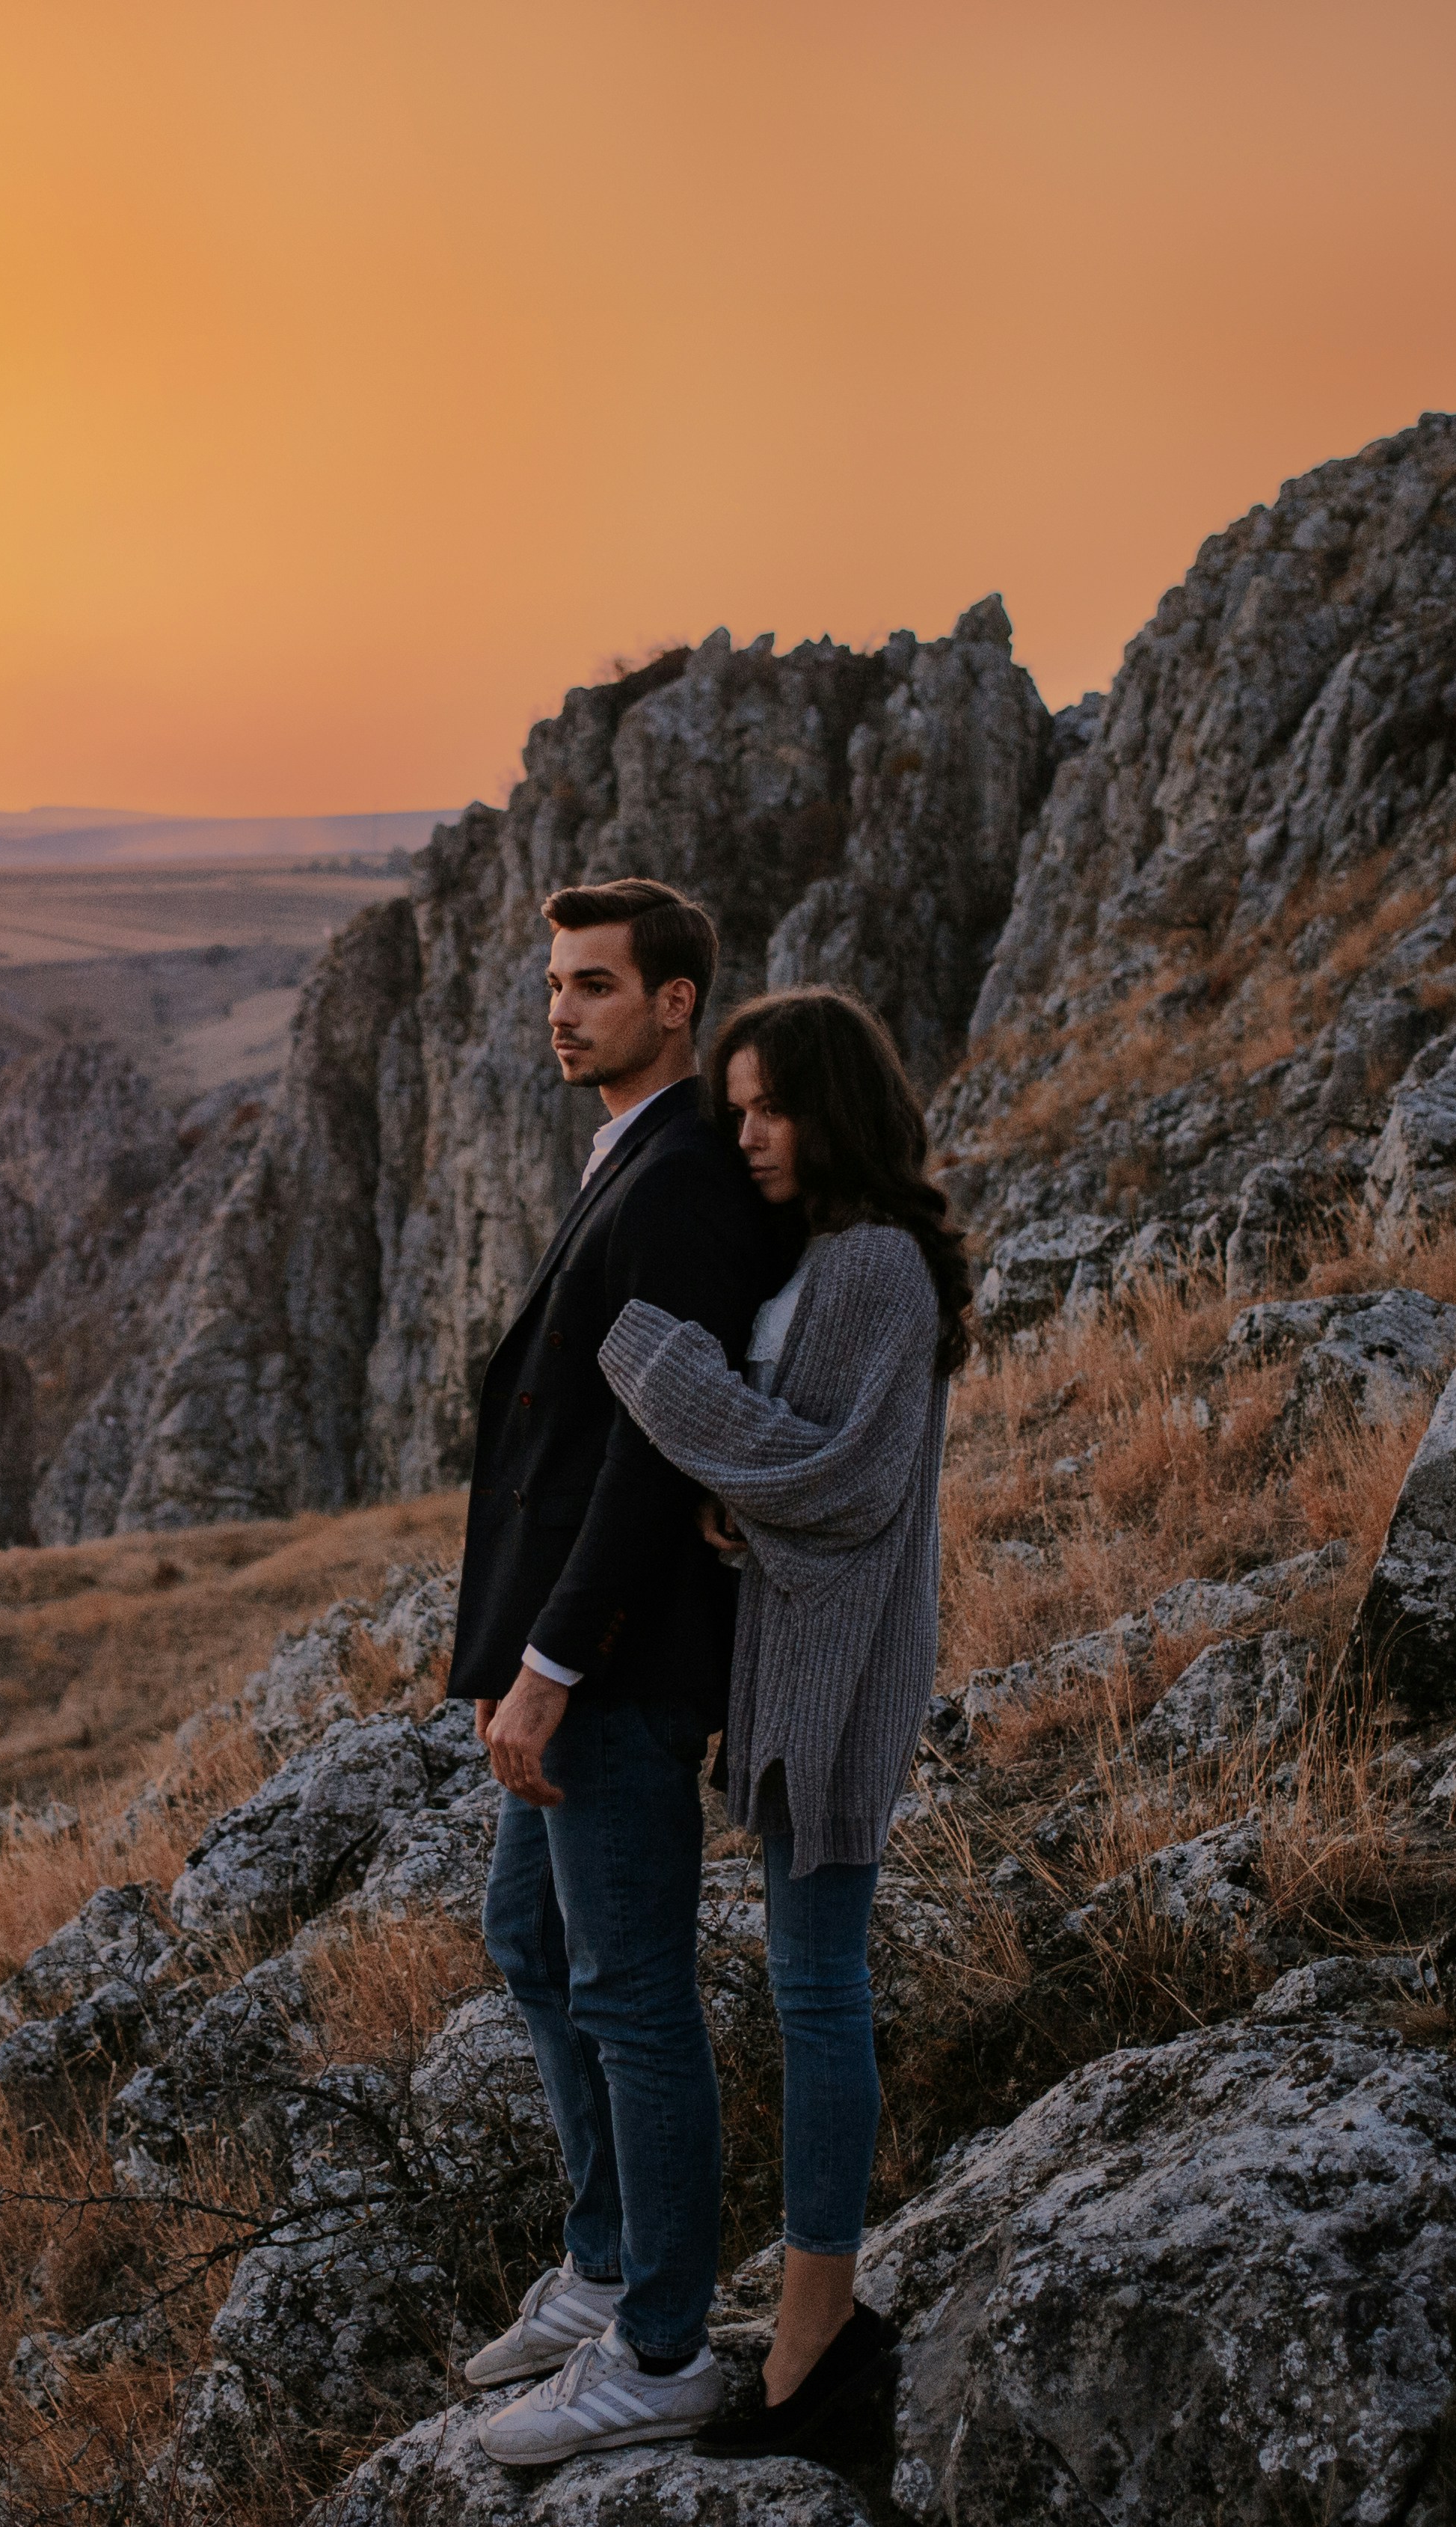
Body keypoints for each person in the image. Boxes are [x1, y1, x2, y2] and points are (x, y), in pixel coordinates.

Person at [593, 983, 968, 2460]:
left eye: (771, 1107)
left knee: (819, 1992)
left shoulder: (875, 1260)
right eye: (734, 1107)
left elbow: (843, 1483)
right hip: (809, 1664)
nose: (747, 1134)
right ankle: (820, 2314)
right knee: (814, 1982)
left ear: (837, 1107)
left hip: (844, 1681)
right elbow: (802, 1480)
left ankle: (818, 2336)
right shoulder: (835, 1254)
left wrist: (667, 1375)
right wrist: (738, 1501)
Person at [453, 876, 793, 2466]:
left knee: (636, 1995)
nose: (562, 1009)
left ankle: (662, 2345)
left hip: (622, 1667)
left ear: (676, 1003)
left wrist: (546, 1663)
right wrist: (501, 1653)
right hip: (570, 1656)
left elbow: (650, 1467)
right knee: (529, 1933)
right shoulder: (629, 1155)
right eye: (553, 984)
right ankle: (601, 2268)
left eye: (595, 984)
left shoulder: (677, 1179)